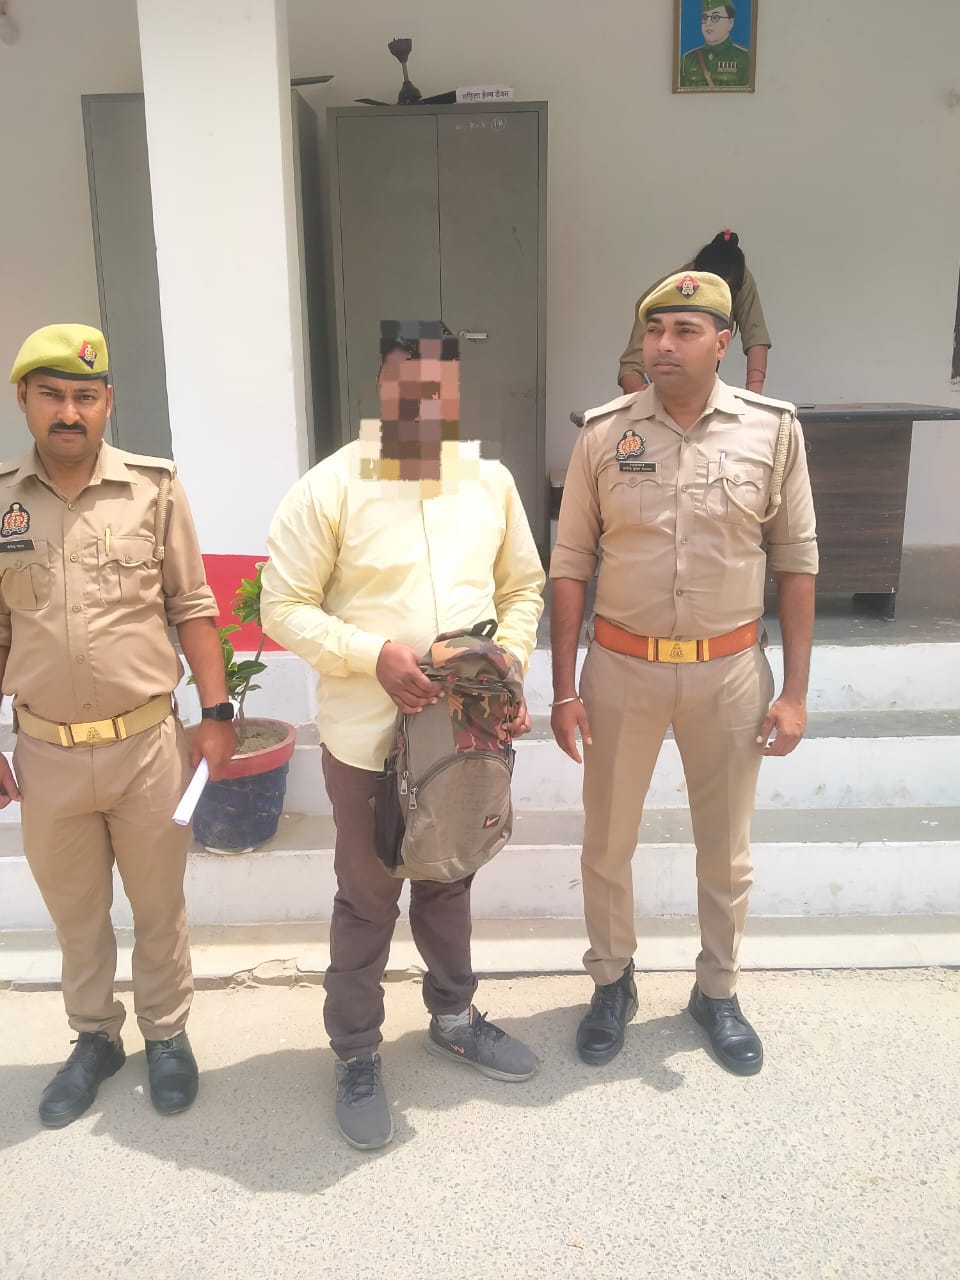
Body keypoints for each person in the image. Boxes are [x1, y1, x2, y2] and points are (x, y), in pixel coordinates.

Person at [260, 321, 545, 1151]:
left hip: (464, 733)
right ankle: (356, 1052)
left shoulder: (489, 483)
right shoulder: (328, 489)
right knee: (369, 894)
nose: (422, 402)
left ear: (456, 393)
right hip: (368, 742)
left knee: (449, 878)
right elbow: (283, 608)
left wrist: (507, 667)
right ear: (382, 387)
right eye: (405, 384)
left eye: (438, 387)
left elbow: (522, 588)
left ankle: (454, 1018)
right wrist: (370, 655)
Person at [550, 272, 817, 1075]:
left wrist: (795, 692)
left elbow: (796, 561)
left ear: (723, 343)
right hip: (621, 670)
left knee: (726, 851)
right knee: (606, 843)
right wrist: (563, 689)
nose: (663, 345)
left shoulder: (773, 433)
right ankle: (612, 982)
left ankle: (717, 990)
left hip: (728, 672)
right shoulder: (603, 433)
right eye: (654, 329)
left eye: (684, 331)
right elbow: (570, 563)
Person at [0, 324, 236, 1127]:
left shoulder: (153, 490)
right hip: (46, 754)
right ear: (24, 399)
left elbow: (193, 607)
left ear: (108, 403)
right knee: (76, 914)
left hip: (147, 749)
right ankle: (95, 1036)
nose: (69, 412)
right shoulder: (2, 502)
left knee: (159, 904)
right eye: (52, 395)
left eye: (85, 396)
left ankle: (166, 1033)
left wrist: (217, 715)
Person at [619, 230, 770, 394]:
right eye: (685, 331)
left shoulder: (737, 277)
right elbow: (631, 366)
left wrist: (753, 398)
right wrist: (641, 396)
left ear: (721, 343)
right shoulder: (670, 292)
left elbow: (756, 335)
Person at [679, 2, 751, 90]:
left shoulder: (745, 59)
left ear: (730, 23)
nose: (708, 23)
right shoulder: (687, 60)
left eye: (715, 18)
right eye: (704, 18)